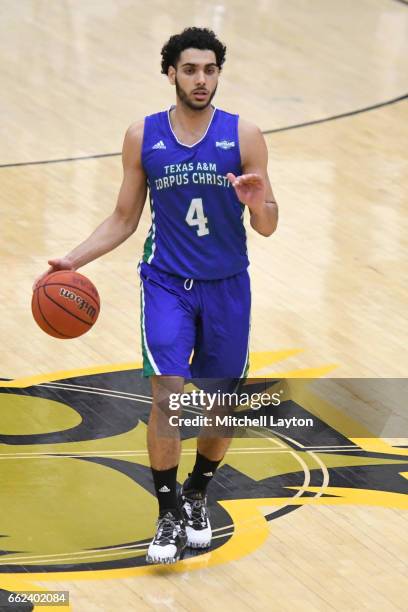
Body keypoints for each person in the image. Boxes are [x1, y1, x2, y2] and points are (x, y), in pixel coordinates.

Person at [35, 27, 278, 564]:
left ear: (218, 73)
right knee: (168, 394)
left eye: (210, 69)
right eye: (190, 69)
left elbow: (267, 226)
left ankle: (197, 492)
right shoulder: (143, 135)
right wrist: (73, 260)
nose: (201, 79)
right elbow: (124, 218)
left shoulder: (245, 135)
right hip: (165, 282)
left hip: (227, 287)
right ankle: (167, 512)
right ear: (170, 72)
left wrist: (260, 203)